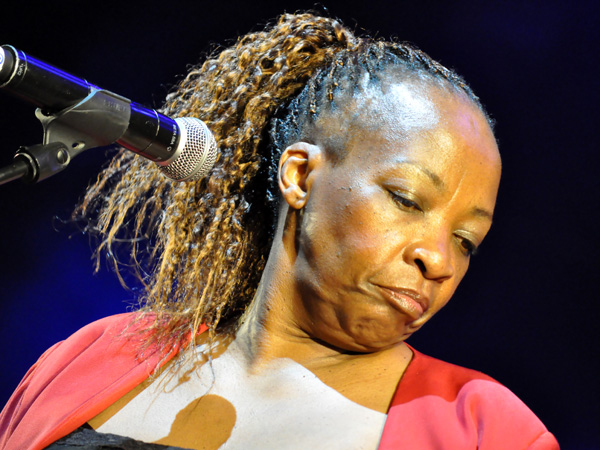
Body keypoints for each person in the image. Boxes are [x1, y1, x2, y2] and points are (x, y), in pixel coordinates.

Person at [0, 12, 559, 450]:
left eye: (466, 241)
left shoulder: (490, 431)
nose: (439, 259)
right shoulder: (91, 357)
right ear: (300, 175)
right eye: (408, 199)